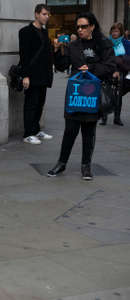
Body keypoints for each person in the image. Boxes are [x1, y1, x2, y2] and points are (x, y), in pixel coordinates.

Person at [47, 12, 115, 180]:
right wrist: (56, 50)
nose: (80, 30)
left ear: (92, 26)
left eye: (84, 26)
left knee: (88, 132)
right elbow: (62, 67)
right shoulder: (73, 45)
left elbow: (110, 66)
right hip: (75, 93)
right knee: (70, 130)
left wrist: (90, 69)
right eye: (78, 27)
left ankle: (86, 166)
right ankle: (61, 163)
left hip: (92, 94)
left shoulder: (103, 44)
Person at [18, 3, 54, 145]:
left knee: (40, 103)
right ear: (36, 14)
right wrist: (25, 75)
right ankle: (28, 133)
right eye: (44, 14)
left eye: (48, 15)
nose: (47, 17)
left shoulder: (45, 32)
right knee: (31, 104)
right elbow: (24, 55)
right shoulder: (25, 32)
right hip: (32, 74)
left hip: (43, 74)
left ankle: (36, 129)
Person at [100, 23, 130, 126]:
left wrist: (119, 66)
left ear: (121, 32)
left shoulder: (126, 43)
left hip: (121, 73)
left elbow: (128, 59)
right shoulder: (106, 42)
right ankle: (104, 117)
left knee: (118, 95)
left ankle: (117, 117)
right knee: (105, 93)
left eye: (116, 31)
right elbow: (103, 57)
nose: (114, 33)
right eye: (113, 31)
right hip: (108, 71)